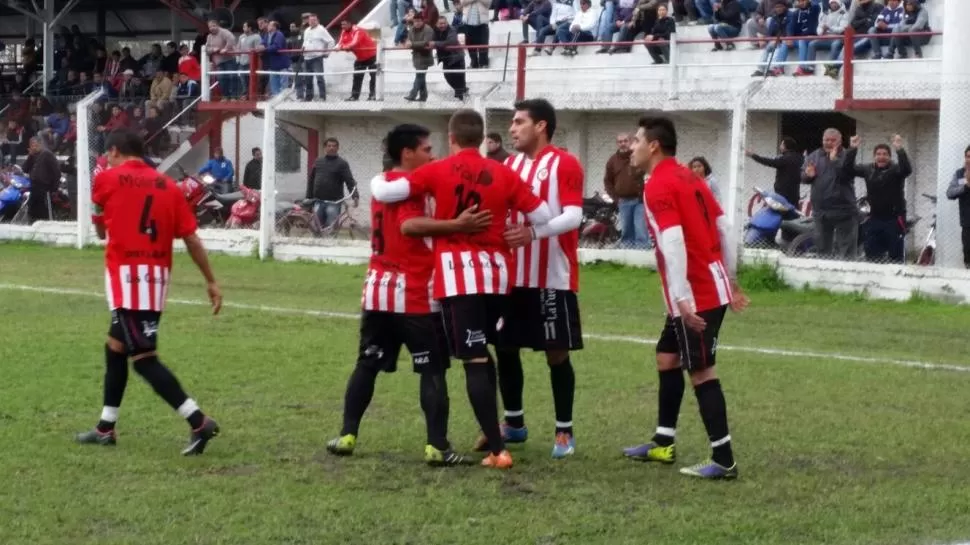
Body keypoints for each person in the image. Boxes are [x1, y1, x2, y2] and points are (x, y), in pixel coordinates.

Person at [370, 109, 553, 469]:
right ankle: (491, 434)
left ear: (452, 137)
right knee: (483, 352)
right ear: (483, 138)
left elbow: (384, 189)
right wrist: (526, 233)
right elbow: (544, 215)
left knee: (473, 359)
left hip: (459, 275)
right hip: (499, 276)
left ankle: (498, 450)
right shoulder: (504, 173)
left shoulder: (437, 170)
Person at [326, 123, 494, 466]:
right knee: (432, 370)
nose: (432, 155)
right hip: (414, 293)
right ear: (408, 153)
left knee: (367, 364)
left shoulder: (384, 183)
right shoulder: (410, 191)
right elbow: (410, 226)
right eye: (427, 149)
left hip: (377, 291)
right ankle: (437, 446)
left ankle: (347, 434)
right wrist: (458, 226)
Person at [76, 129, 222, 455]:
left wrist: (106, 219)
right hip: (155, 279)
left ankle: (199, 422)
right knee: (115, 348)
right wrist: (210, 280)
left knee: (143, 359)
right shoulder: (169, 187)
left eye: (108, 155)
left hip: (128, 282)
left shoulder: (107, 179)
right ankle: (106, 428)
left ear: (114, 151)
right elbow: (191, 238)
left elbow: (100, 229)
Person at [623, 116, 748, 480]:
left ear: (654, 146)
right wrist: (732, 279)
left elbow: (674, 240)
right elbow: (724, 228)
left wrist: (681, 298)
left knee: (701, 370)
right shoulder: (690, 177)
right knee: (667, 357)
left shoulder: (658, 185)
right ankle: (664, 442)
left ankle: (724, 461)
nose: (631, 147)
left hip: (694, 292)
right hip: (705, 285)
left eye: (636, 141)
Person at [481, 98, 585, 459]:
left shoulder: (564, 162)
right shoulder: (509, 164)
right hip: (512, 277)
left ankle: (564, 432)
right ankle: (514, 423)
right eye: (511, 122)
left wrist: (533, 235)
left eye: (519, 122)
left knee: (556, 353)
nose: (512, 129)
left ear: (541, 126)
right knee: (504, 345)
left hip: (552, 276)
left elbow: (573, 216)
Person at [843, 134, 911, 263]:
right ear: (874, 156)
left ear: (889, 157)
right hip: (873, 219)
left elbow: (907, 169)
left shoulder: (896, 169)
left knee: (895, 256)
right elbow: (847, 170)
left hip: (894, 219)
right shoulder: (868, 169)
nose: (881, 157)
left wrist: (899, 149)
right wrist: (852, 149)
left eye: (885, 154)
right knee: (872, 255)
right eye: (878, 154)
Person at [802, 128, 857, 259]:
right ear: (822, 140)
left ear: (840, 141)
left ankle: (846, 276)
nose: (829, 143)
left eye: (833, 140)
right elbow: (803, 177)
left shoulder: (846, 156)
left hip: (844, 211)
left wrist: (834, 161)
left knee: (846, 250)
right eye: (826, 140)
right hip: (821, 211)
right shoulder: (814, 156)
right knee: (822, 249)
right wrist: (808, 175)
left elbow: (847, 176)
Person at [307, 137, 358, 228]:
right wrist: (308, 197)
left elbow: (349, 181)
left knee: (330, 230)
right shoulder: (318, 161)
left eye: (334, 146)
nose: (331, 148)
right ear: (325, 148)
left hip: (334, 203)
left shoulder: (342, 163)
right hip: (318, 201)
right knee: (317, 229)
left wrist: (355, 196)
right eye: (329, 146)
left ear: (337, 148)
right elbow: (311, 180)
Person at [21, 137, 60, 222]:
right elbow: (25, 169)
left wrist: (54, 188)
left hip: (44, 187)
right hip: (34, 186)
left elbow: (56, 171)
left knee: (45, 209)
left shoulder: (47, 154)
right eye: (32, 145)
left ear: (40, 144)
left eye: (35, 145)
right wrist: (30, 156)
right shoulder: (32, 156)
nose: (34, 147)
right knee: (32, 208)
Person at [945, 145, 970, 268]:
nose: (969, 160)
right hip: (967, 223)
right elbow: (950, 193)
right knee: (968, 256)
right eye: (967, 156)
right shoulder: (960, 174)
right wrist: (966, 184)